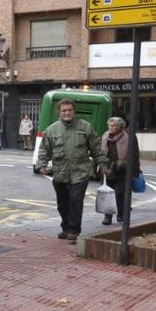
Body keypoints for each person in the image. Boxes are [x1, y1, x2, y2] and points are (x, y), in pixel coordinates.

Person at [34, 99, 106, 242]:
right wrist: (41, 165)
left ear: (74, 111)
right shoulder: (51, 130)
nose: (67, 113)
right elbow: (44, 150)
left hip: (80, 172)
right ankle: (65, 227)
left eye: (69, 110)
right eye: (64, 110)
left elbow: (96, 148)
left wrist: (102, 163)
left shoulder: (86, 127)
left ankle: (74, 229)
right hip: (60, 173)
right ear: (59, 113)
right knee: (63, 203)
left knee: (75, 200)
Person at [100, 116, 139, 226]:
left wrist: (135, 171)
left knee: (120, 194)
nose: (111, 128)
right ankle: (107, 216)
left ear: (121, 127)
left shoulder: (129, 137)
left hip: (122, 169)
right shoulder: (105, 136)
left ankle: (121, 214)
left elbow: (135, 154)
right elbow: (100, 152)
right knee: (108, 194)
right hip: (108, 169)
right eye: (110, 126)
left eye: (114, 126)